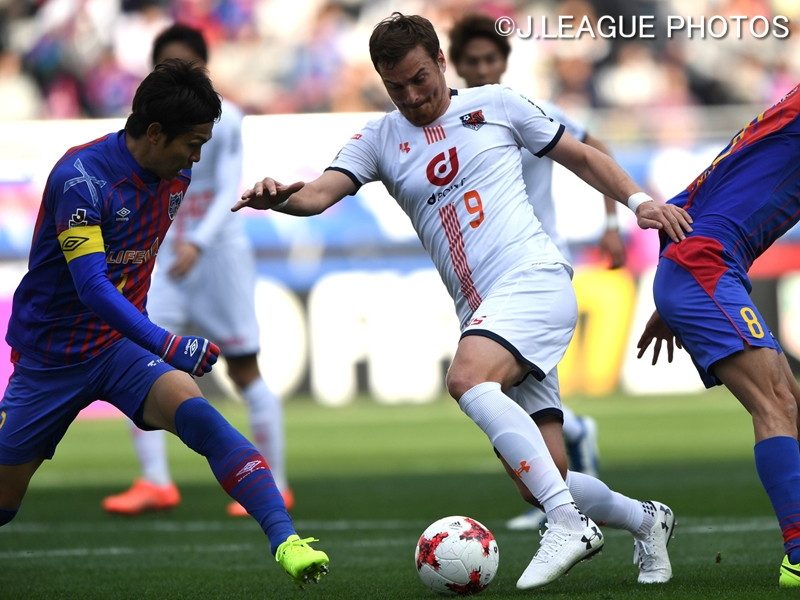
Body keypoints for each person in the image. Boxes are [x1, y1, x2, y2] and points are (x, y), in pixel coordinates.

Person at [234, 12, 692, 590]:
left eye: (419, 79)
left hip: (534, 279)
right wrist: (279, 197)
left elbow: (581, 154)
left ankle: (567, 523)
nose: (411, 96)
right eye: (395, 86)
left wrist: (639, 201)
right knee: (542, 475)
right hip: (483, 311)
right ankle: (647, 520)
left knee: (467, 379)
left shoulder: (496, 104)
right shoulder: (379, 138)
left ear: (440, 62)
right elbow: (319, 195)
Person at [0, 60, 328, 587]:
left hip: (118, 348)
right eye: (192, 144)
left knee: (201, 418)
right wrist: (167, 342)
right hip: (50, 357)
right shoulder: (80, 180)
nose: (196, 157)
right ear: (154, 132)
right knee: (5, 501)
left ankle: (287, 541)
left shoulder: (176, 174)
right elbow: (92, 287)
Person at [102, 24, 293, 519]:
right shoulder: (150, 128)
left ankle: (275, 481)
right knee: (138, 356)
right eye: (167, 64)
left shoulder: (226, 120)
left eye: (185, 63)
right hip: (164, 257)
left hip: (217, 255)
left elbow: (229, 184)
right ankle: (155, 481)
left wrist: (199, 242)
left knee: (243, 367)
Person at [447, 13, 619, 533]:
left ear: (504, 62)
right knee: (503, 393)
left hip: (537, 269)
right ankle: (571, 459)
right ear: (455, 65)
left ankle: (553, 496)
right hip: (485, 279)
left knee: (485, 382)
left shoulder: (521, 107)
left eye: (490, 59)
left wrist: (613, 222)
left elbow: (594, 149)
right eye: (472, 61)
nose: (482, 69)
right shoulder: (449, 123)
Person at [637, 83, 800, 589]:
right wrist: (677, 287)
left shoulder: (770, 125)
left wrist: (671, 294)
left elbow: (685, 203)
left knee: (790, 401)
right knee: (775, 403)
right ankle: (799, 556)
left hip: (698, 268)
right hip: (704, 267)